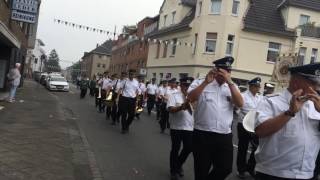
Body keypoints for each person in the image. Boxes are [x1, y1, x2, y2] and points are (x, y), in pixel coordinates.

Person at [254, 63, 320, 180]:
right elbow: (260, 131)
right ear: (296, 82)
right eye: (313, 83)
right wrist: (289, 112)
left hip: (307, 175)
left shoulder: (315, 105)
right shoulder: (272, 102)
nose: (317, 88)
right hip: (274, 174)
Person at [188, 57, 243, 180]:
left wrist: (230, 83)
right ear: (216, 71)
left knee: (225, 168)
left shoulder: (232, 86)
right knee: (201, 171)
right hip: (203, 134)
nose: (226, 74)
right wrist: (205, 83)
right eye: (223, 71)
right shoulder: (200, 82)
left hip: (224, 135)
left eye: (228, 72)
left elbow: (240, 104)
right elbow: (190, 98)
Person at [167, 77, 194, 180]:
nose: (186, 88)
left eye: (189, 86)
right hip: (176, 127)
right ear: (181, 86)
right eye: (184, 85)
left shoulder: (195, 97)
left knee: (189, 148)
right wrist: (181, 107)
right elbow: (170, 109)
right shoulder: (174, 96)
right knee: (175, 149)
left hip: (190, 127)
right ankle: (174, 171)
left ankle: (178, 164)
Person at [236, 77, 263, 178]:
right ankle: (241, 169)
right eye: (256, 86)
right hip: (243, 125)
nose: (257, 88)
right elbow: (240, 109)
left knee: (256, 147)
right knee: (243, 148)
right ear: (250, 86)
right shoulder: (243, 96)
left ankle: (251, 167)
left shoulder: (260, 97)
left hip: (255, 126)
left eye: (258, 87)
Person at [118, 69, 140, 134]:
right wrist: (118, 98)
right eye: (130, 74)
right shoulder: (125, 81)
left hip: (132, 100)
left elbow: (137, 91)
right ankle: (123, 128)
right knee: (124, 114)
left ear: (134, 75)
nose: (131, 75)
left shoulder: (136, 82)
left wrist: (137, 99)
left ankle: (127, 125)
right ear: (129, 74)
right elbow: (120, 89)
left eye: (133, 74)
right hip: (124, 99)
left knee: (132, 115)